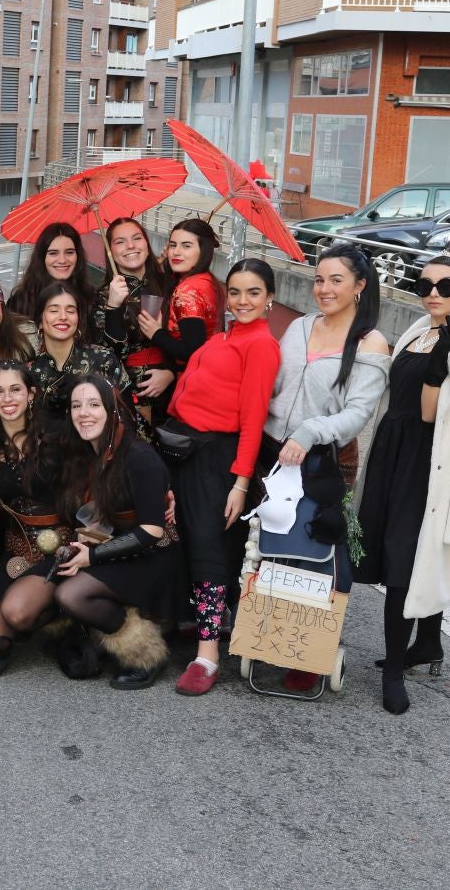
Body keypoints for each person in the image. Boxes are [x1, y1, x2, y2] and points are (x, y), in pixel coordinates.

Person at [355, 250, 450, 715]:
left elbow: (438, 419)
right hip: (392, 453)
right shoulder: (420, 330)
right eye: (425, 284)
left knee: (405, 558)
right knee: (405, 548)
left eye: (446, 286)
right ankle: (427, 644)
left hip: (427, 462)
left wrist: (441, 366)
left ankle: (394, 672)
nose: (433, 293)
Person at [261, 241, 390, 692]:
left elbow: (358, 413)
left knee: (317, 554)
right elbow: (272, 386)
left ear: (359, 286)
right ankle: (271, 638)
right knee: (273, 547)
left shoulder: (369, 341)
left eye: (336, 280)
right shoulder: (298, 327)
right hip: (275, 452)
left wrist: (310, 431)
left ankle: (310, 651)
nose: (324, 288)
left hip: (325, 462)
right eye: (319, 279)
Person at [6, 375, 177, 688]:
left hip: (147, 555)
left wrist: (93, 556)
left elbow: (152, 531)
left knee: (72, 594)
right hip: (94, 547)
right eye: (76, 405)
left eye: (93, 404)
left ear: (112, 410)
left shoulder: (140, 457)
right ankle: (84, 631)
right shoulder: (79, 453)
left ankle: (143, 652)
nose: (83, 412)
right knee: (17, 609)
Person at [165, 259, 281, 696]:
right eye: (235, 292)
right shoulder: (223, 338)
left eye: (254, 292)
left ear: (270, 298)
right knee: (185, 541)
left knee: (211, 549)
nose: (243, 301)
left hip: (219, 459)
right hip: (186, 452)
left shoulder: (262, 346)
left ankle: (207, 653)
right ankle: (198, 627)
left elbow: (252, 421)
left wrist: (239, 482)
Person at [0, 361, 73, 661]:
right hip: (17, 549)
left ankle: (61, 609)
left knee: (16, 613)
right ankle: (39, 608)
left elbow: (100, 468)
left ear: (31, 394)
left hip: (60, 546)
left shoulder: (57, 436)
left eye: (15, 390)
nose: (8, 399)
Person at [95, 218, 177, 427]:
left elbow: (191, 340)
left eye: (137, 238)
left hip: (175, 390)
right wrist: (113, 306)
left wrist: (171, 373)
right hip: (130, 393)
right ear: (110, 252)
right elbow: (106, 355)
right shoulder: (101, 296)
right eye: (120, 241)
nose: (131, 246)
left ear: (148, 247)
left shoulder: (169, 284)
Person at [26, 282, 129, 420]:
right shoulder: (32, 371)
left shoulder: (104, 359)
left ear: (78, 319)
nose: (63, 316)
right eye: (54, 310)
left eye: (70, 311)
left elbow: (128, 415)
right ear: (40, 321)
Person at [136, 218, 223, 371]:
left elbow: (192, 351)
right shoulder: (208, 281)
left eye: (186, 246)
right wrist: (163, 261)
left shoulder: (187, 291)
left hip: (191, 377)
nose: (176, 252)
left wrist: (156, 333)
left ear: (204, 251)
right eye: (173, 245)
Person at [7, 222, 92, 324]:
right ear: (42, 258)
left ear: (78, 256)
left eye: (69, 252)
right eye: (53, 253)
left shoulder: (91, 298)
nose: (62, 260)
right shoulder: (21, 301)